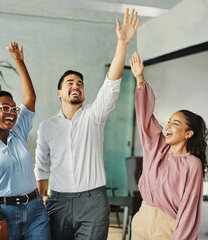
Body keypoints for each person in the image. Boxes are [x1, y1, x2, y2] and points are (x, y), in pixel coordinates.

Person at [34, 9, 140, 240]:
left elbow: (111, 83)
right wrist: (41, 197)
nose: (76, 85)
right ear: (59, 92)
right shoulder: (47, 126)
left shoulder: (94, 115)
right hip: (57, 201)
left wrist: (122, 43)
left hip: (93, 202)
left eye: (80, 83)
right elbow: (41, 166)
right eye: (70, 82)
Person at [0, 41, 50, 240]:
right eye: (4, 108)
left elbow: (30, 99)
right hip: (1, 214)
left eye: (14, 109)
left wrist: (20, 62)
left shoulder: (18, 133)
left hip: (35, 211)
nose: (11, 113)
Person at [130, 51, 208, 239]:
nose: (168, 126)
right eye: (169, 121)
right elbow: (145, 119)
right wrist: (140, 79)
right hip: (142, 219)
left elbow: (189, 208)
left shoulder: (193, 164)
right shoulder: (155, 147)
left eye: (175, 123)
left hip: (168, 227)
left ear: (188, 134)